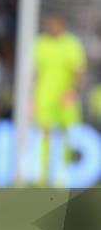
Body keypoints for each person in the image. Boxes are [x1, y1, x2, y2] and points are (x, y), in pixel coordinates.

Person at [33, 12, 86, 185]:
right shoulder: (40, 43)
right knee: (45, 133)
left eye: (55, 23)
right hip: (44, 96)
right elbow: (35, 72)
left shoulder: (71, 44)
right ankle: (42, 173)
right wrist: (30, 96)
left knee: (67, 134)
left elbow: (78, 71)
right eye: (50, 23)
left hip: (65, 95)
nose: (52, 27)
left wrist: (73, 91)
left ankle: (63, 173)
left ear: (62, 24)